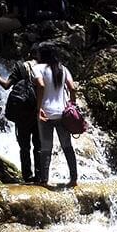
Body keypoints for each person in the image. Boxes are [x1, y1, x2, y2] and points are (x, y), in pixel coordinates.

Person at [0, 56, 41, 183]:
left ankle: (27, 176)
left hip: (22, 112)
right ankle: (41, 175)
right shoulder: (44, 68)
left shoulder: (20, 67)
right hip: (38, 110)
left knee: (24, 146)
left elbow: (6, 86)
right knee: (39, 145)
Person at [33, 43, 78, 187]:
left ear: (42, 55)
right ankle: (74, 179)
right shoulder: (63, 69)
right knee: (67, 146)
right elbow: (72, 88)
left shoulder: (38, 68)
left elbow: (40, 85)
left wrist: (38, 108)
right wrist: (72, 105)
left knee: (46, 147)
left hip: (46, 113)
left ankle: (44, 180)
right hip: (62, 114)